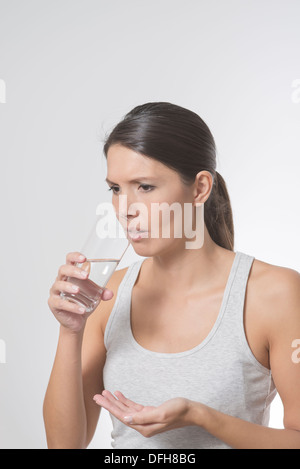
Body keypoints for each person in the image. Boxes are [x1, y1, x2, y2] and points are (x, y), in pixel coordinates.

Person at [43, 102, 300, 449]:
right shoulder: (107, 294)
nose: (125, 208)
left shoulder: (273, 294)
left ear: (199, 189)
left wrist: (202, 416)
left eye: (145, 187)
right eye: (115, 189)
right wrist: (70, 331)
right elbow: (63, 446)